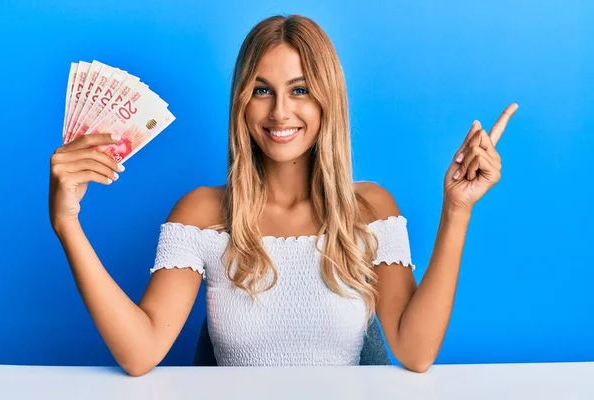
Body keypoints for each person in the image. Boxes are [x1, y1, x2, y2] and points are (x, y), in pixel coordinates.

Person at [48, 14, 517, 377]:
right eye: (261, 90)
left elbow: (415, 353)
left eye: (300, 90)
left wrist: (456, 209)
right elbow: (139, 352)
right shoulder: (201, 213)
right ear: (241, 103)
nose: (280, 112)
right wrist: (68, 224)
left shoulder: (371, 209)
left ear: (326, 100)